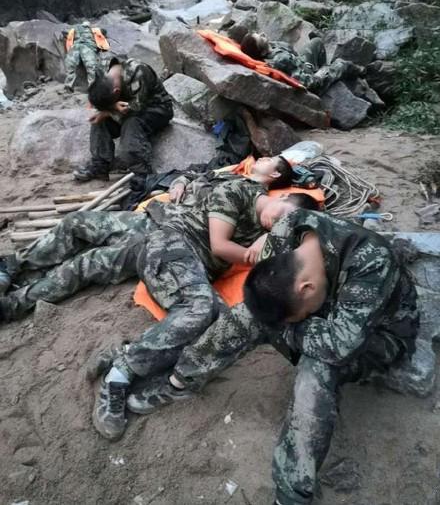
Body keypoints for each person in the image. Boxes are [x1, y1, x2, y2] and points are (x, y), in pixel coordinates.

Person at [111, 210, 420, 504]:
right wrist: (278, 323)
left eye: (298, 317)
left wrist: (283, 330)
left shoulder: (371, 262)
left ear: (307, 288)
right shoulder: (288, 228)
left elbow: (340, 345)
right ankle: (181, 381)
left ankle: (291, 493)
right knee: (247, 314)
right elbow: (265, 291)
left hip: (378, 335)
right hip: (326, 309)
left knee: (318, 366)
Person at [90, 159, 321, 440]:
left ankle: (125, 353)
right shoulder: (239, 188)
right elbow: (220, 246)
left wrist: (271, 237)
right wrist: (251, 253)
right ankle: (117, 377)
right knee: (200, 309)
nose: (277, 223)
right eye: (281, 216)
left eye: (284, 224)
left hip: (196, 266)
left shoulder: (270, 230)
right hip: (174, 241)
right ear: (281, 196)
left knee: (220, 329)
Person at [0, 156, 296, 324]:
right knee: (75, 222)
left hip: (171, 241)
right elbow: (191, 175)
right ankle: (14, 266)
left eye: (269, 159)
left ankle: (15, 303)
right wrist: (180, 182)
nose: (262, 157)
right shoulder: (231, 175)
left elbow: (248, 247)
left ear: (275, 174)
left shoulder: (263, 209)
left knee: (88, 263)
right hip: (158, 216)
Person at [73, 58, 173, 182]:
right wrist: (104, 111)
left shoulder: (138, 71)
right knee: (99, 120)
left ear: (117, 92)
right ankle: (100, 165)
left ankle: (142, 173)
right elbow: (97, 95)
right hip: (125, 108)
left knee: (131, 122)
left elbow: (136, 107)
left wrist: (109, 111)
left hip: (156, 109)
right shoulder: (103, 71)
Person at [240, 33, 363, 95]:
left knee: (316, 41)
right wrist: (319, 75)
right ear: (262, 52)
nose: (262, 34)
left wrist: (304, 64)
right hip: (312, 79)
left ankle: (324, 67)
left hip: (301, 63)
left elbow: (294, 54)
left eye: (259, 33)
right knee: (342, 64)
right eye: (261, 38)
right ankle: (363, 72)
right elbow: (307, 83)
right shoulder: (279, 60)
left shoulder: (272, 46)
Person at [63, 21, 109, 92]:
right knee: (91, 68)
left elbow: (69, 39)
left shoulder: (74, 29)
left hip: (75, 48)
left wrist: (69, 51)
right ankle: (92, 86)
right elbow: (102, 39)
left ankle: (68, 85)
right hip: (88, 48)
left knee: (71, 67)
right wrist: (104, 47)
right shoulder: (95, 30)